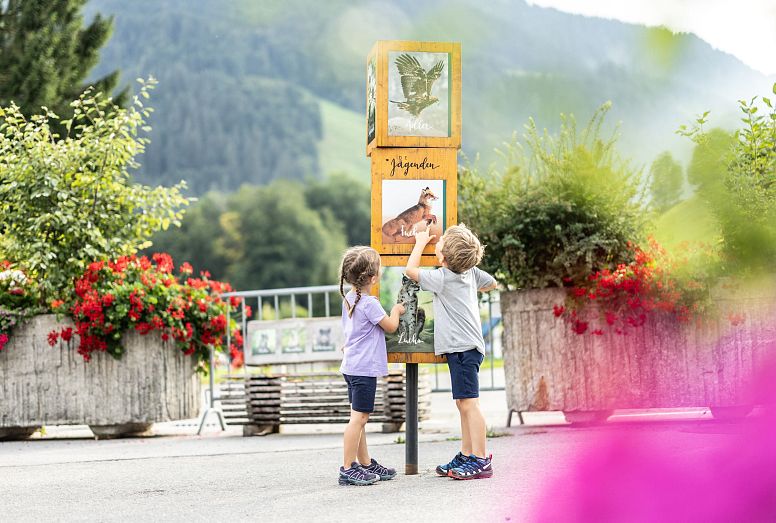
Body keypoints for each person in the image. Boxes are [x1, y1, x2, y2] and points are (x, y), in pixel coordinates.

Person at [405, 225, 498, 480]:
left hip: (463, 348)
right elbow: (492, 283)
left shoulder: (443, 278)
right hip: (465, 348)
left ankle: (481, 459)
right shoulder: (470, 273)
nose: (438, 241)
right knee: (462, 403)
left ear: (443, 258)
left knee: (469, 404)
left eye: (441, 242)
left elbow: (410, 271)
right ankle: (467, 454)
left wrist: (420, 242)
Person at [338, 246, 405, 486]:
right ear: (373, 278)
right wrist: (396, 310)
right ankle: (347, 468)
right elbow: (390, 326)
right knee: (359, 419)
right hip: (363, 369)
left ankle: (364, 462)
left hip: (351, 367)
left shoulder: (350, 299)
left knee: (359, 417)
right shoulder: (370, 304)